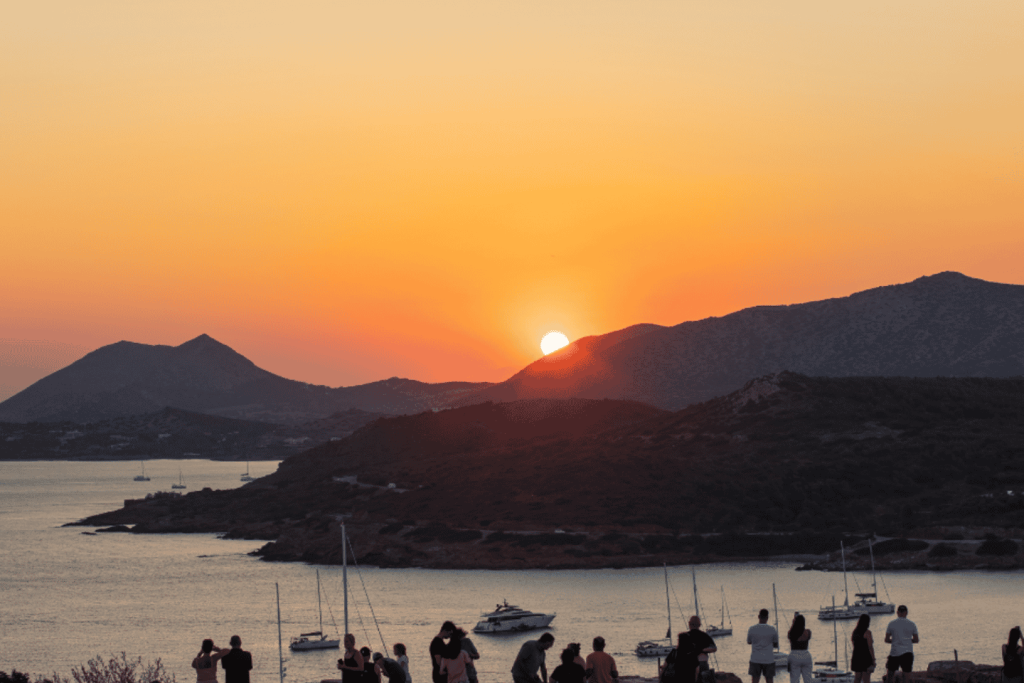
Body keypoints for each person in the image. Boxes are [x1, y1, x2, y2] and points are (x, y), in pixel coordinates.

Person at [883, 606, 918, 683]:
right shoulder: (912, 624)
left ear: (897, 612)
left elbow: (886, 639)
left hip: (894, 653)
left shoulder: (891, 624)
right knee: (906, 676)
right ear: (906, 613)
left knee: (890, 676)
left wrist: (895, 640)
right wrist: (907, 640)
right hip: (907, 653)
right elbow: (916, 640)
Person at [748, 609, 779, 683]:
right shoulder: (772, 629)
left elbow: (749, 642)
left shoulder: (752, 629)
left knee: (755, 681)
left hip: (755, 658)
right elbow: (775, 644)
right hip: (768, 659)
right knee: (769, 680)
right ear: (767, 618)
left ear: (758, 616)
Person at [787, 614, 813, 683]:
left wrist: (793, 623)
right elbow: (808, 634)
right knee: (808, 679)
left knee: (794, 680)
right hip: (806, 655)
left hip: (794, 655)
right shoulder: (807, 632)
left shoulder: (792, 633)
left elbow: (789, 634)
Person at [851, 615, 875, 683]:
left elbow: (854, 644)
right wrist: (873, 659)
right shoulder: (867, 632)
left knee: (857, 678)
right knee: (866, 680)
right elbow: (870, 647)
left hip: (856, 657)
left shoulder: (854, 632)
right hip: (866, 658)